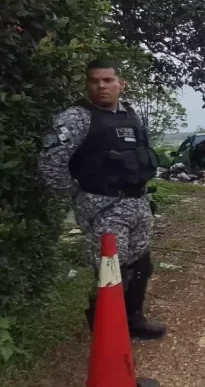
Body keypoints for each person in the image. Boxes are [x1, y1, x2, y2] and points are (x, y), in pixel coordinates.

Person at [39, 59, 166, 342]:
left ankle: (133, 321)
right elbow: (50, 163)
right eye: (95, 81)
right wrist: (77, 193)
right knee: (112, 275)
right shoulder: (76, 118)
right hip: (103, 209)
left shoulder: (129, 114)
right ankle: (108, 344)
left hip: (137, 205)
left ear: (121, 83)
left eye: (108, 80)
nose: (101, 86)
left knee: (141, 266)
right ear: (87, 84)